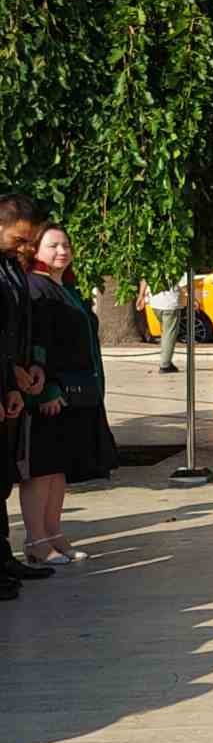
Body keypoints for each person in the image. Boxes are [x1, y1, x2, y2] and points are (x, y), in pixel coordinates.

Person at [18, 224, 117, 565]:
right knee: (41, 469)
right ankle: (36, 540)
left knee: (58, 469)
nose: (62, 250)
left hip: (75, 396)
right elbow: (36, 343)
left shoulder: (66, 287)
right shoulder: (35, 287)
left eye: (65, 244)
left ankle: (55, 533)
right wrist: (46, 388)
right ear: (35, 250)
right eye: (52, 245)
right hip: (50, 394)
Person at [0, 194, 51, 600]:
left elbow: (20, 325)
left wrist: (28, 365)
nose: (26, 247)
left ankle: (3, 556)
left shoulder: (11, 268)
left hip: (10, 387)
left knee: (3, 475)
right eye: (19, 239)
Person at [137, 279, 184, 373]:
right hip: (171, 302)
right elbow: (184, 283)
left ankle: (166, 360)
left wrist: (141, 296)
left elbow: (144, 279)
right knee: (169, 334)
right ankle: (165, 364)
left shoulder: (151, 263)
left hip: (155, 302)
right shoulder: (177, 265)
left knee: (165, 332)